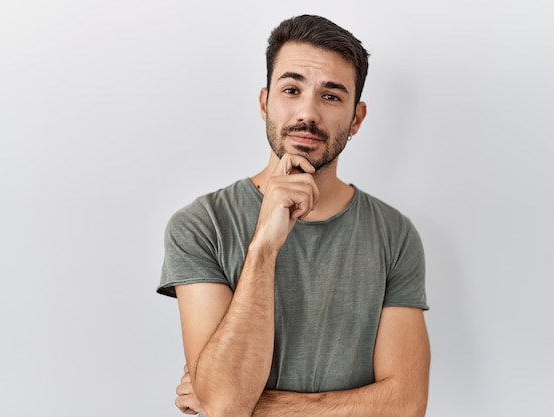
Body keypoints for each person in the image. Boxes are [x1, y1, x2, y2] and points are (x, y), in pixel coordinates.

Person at [157, 14, 430, 417]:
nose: (308, 114)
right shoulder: (201, 225)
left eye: (331, 96)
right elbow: (226, 402)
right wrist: (265, 243)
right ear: (266, 103)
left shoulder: (394, 234)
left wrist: (253, 404)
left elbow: (406, 405)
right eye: (291, 89)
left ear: (356, 118)